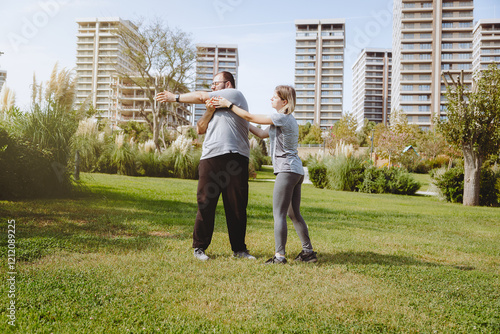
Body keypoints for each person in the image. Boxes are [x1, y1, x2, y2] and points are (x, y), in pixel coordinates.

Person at [155, 71, 256, 261]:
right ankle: (199, 248)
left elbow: (201, 96)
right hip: (211, 157)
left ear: (227, 85)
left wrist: (174, 97)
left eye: (215, 84)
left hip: (236, 158)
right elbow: (200, 129)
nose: (212, 87)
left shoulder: (235, 95)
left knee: (236, 206)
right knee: (205, 203)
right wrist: (209, 111)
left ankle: (239, 250)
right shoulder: (215, 104)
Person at [211, 85, 317, 264]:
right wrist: (239, 119)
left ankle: (279, 256)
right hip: (296, 171)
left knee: (279, 214)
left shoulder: (280, 116)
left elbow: (251, 116)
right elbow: (260, 133)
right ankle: (308, 252)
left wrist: (229, 105)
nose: (271, 99)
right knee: (294, 214)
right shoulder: (285, 120)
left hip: (286, 169)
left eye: (274, 97)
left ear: (284, 102)